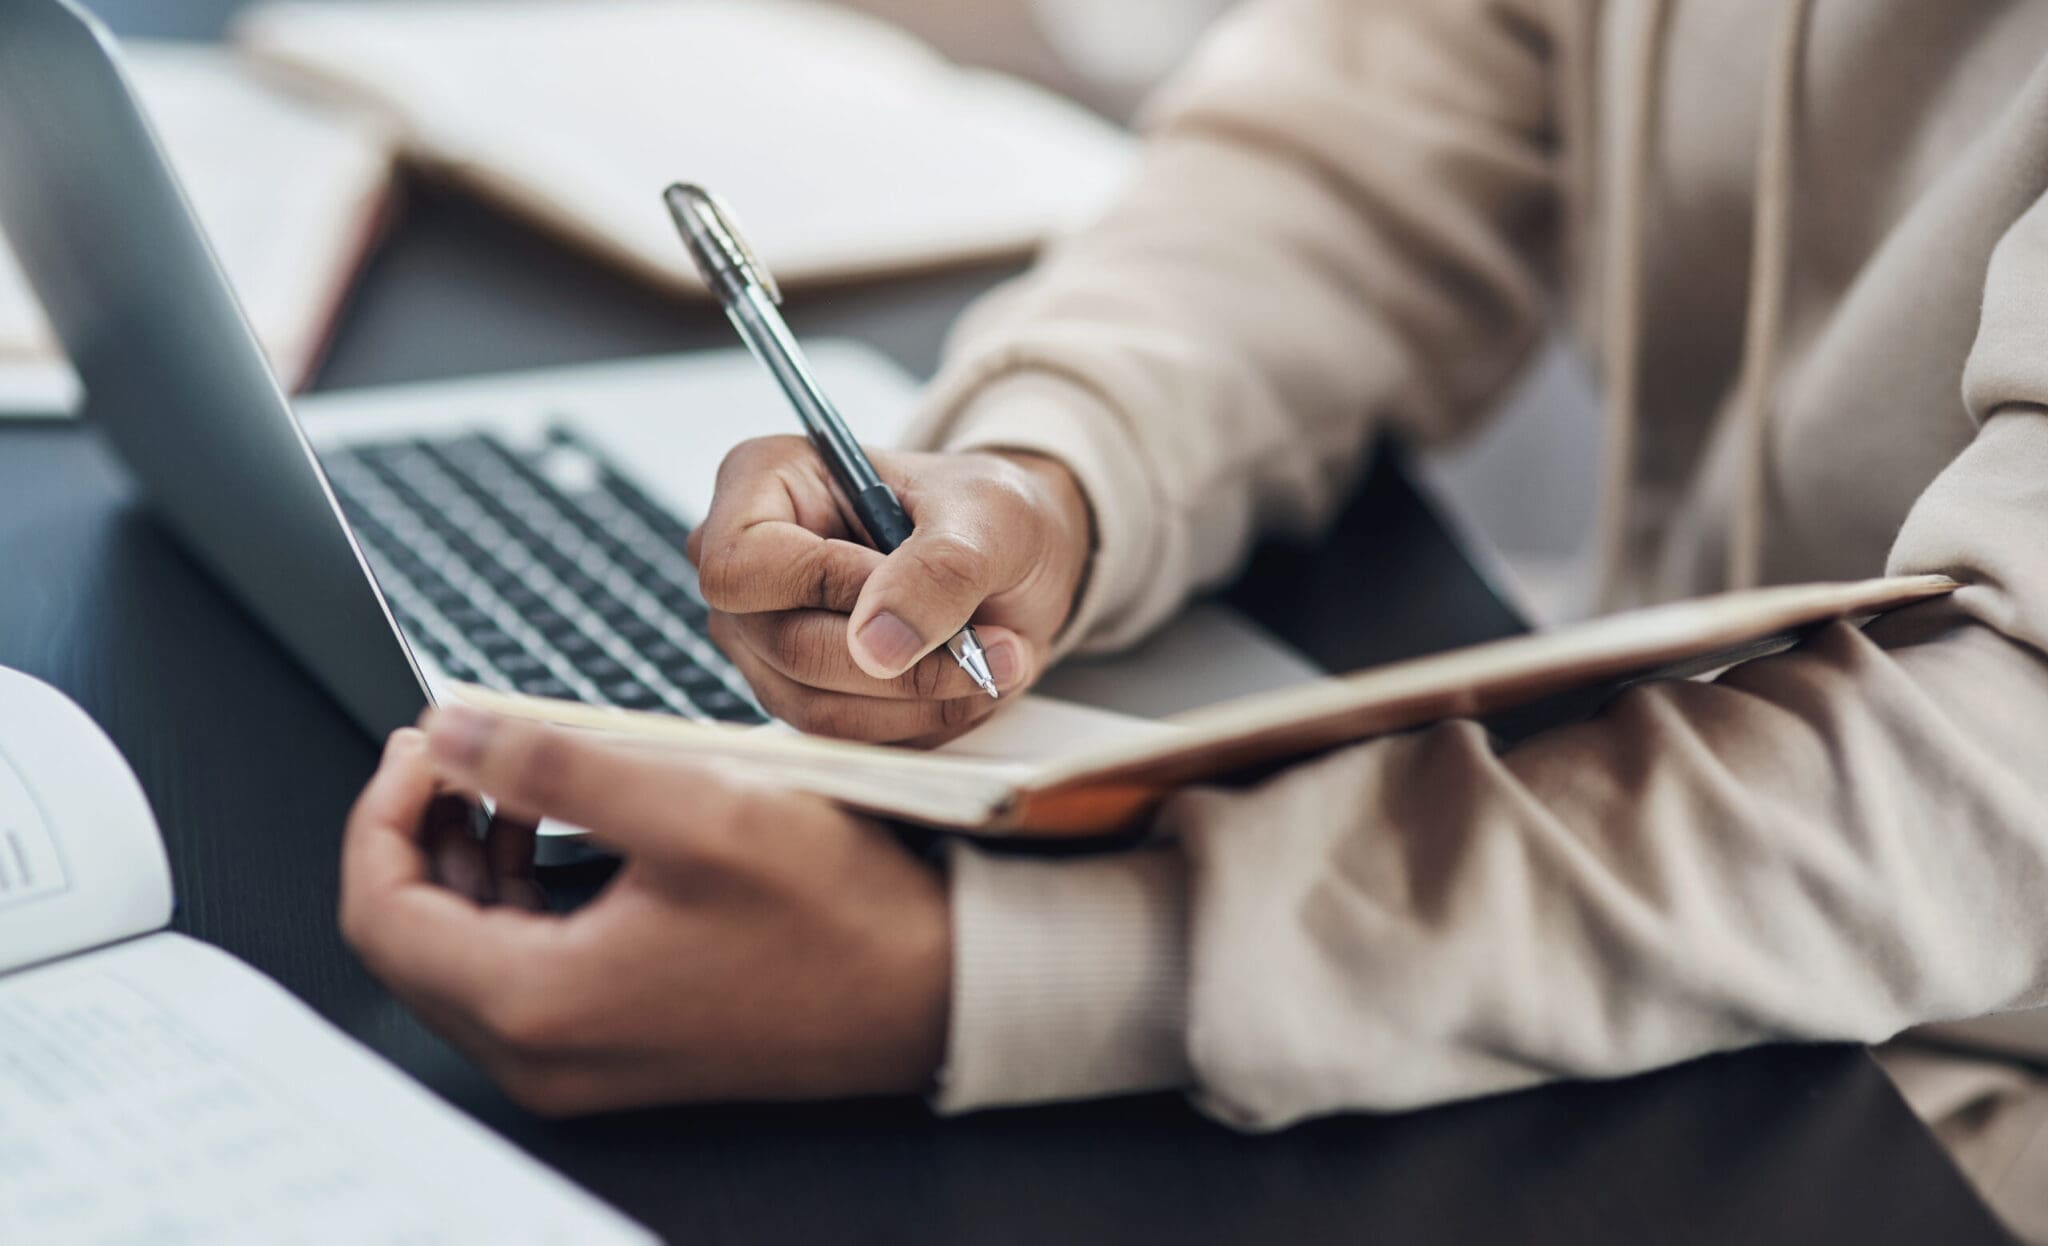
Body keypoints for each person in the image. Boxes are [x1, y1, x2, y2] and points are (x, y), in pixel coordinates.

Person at [340, 0, 2048, 1235]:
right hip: (1590, 919)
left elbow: (1993, 778)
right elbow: (1348, 157)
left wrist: (994, 978)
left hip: (1959, 1107)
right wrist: (1052, 468)